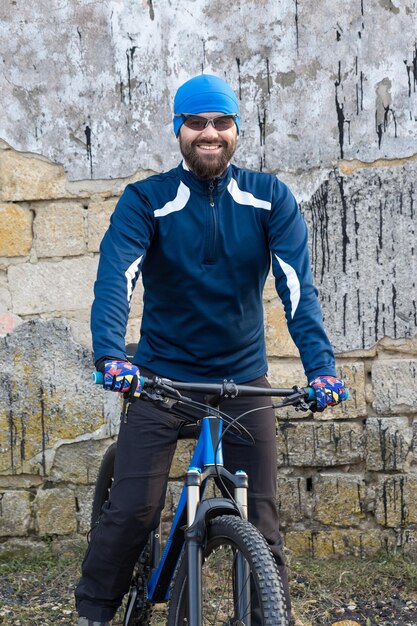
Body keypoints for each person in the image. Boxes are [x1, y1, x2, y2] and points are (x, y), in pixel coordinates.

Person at [75, 74, 348, 626]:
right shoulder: (146, 200)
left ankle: (270, 617)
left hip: (242, 381)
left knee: (264, 522)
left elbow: (298, 290)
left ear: (236, 130)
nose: (210, 133)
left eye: (222, 123)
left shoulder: (269, 198)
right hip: (161, 380)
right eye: (197, 122)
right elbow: (115, 280)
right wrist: (112, 356)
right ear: (179, 128)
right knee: (132, 511)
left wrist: (322, 369)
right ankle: (95, 612)